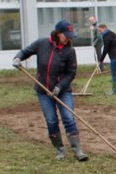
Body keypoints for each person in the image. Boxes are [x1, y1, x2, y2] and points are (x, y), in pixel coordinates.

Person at [13, 20, 87, 161]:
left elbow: (71, 73)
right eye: (65, 35)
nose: (68, 38)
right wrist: (18, 58)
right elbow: (26, 51)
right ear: (57, 33)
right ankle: (59, 151)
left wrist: (59, 87)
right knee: (51, 120)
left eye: (70, 36)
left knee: (68, 117)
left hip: (63, 91)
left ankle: (78, 150)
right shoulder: (41, 44)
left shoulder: (70, 51)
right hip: (43, 90)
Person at [96, 23, 116, 95]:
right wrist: (114, 46)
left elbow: (105, 49)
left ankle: (115, 91)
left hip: (115, 57)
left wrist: (100, 60)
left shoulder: (106, 36)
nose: (100, 32)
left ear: (104, 28)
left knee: (114, 73)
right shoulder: (112, 33)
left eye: (100, 30)